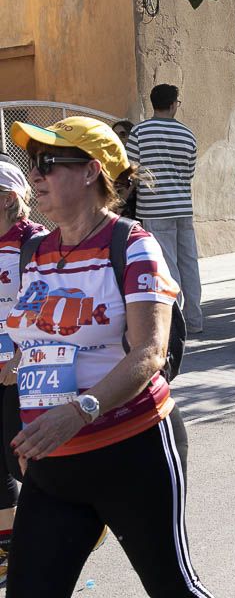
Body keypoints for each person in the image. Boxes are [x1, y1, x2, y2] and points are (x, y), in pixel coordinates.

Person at [5, 116, 214, 596]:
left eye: (48, 164)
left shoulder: (133, 245)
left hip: (131, 450)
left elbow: (149, 352)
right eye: (33, 165)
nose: (35, 175)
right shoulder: (33, 250)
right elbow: (36, 345)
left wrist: (77, 413)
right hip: (53, 463)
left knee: (172, 587)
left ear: (91, 171)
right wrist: (32, 423)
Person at [126, 84, 203, 334]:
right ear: (173, 104)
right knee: (189, 262)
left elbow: (131, 169)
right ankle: (195, 319)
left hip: (154, 208)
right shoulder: (187, 134)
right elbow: (190, 172)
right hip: (182, 206)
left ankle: (175, 321)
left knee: (166, 264)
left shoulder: (139, 133)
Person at [0, 163, 42, 582]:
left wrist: (18, 356)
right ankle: (9, 548)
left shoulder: (34, 244)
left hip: (22, 370)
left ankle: (63, 524)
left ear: (9, 198)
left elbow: (43, 307)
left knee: (21, 460)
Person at [110, 120, 137, 220]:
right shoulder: (108, 160)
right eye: (114, 134)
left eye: (123, 134)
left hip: (132, 213)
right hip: (113, 212)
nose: (118, 138)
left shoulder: (135, 161)